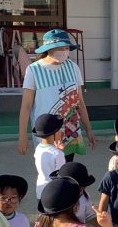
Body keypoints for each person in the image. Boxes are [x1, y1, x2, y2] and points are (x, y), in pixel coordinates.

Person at [17, 29, 96, 161]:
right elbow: (26, 106)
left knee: (67, 168)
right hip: (47, 135)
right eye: (60, 48)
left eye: (66, 48)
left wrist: (89, 129)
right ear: (49, 49)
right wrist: (22, 136)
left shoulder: (73, 67)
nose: (64, 51)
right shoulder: (33, 70)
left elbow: (80, 101)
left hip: (70, 132)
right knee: (49, 170)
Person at [32, 114, 66, 200]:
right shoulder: (57, 154)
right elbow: (61, 175)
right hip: (55, 191)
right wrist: (60, 151)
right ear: (55, 133)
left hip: (40, 189)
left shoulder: (38, 148)